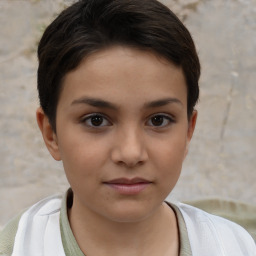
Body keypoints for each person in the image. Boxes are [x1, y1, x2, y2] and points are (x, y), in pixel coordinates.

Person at [0, 0, 255, 255]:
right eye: (96, 120)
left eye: (158, 120)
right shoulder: (16, 247)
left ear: (189, 131)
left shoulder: (234, 246)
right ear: (51, 134)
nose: (131, 153)